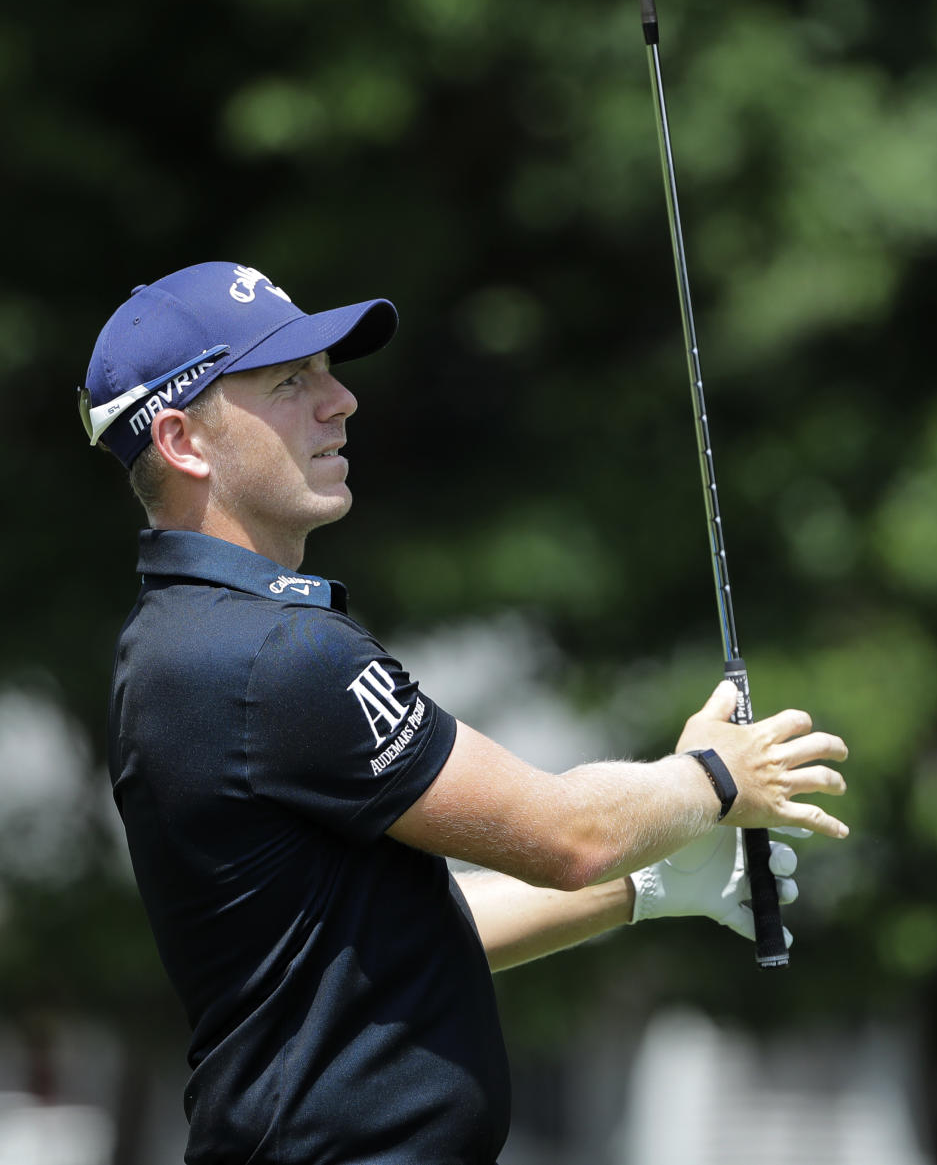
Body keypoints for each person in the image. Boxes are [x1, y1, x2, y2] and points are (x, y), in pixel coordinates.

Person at [80, 260, 849, 1165]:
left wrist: (640, 888)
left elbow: (394, 950)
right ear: (182, 440)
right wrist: (717, 778)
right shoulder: (268, 655)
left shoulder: (190, 639)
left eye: (328, 371)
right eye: (291, 382)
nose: (341, 401)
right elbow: (570, 835)